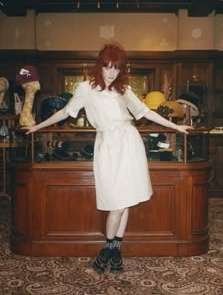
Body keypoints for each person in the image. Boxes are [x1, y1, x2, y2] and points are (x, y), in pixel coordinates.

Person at [22, 42, 193, 274]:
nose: (112, 73)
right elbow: (65, 112)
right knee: (116, 202)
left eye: (116, 68)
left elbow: (145, 112)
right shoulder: (85, 88)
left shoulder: (124, 89)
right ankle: (108, 250)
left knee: (127, 198)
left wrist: (176, 127)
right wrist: (38, 127)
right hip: (107, 145)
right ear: (99, 66)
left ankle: (113, 251)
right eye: (108, 67)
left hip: (130, 143)